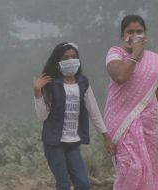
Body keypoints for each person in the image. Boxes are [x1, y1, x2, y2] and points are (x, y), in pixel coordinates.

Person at [104, 15, 158, 190]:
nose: (135, 35)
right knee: (133, 167)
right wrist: (136, 53)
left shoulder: (154, 60)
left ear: (145, 35)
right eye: (130, 32)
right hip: (123, 123)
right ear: (123, 35)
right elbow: (120, 76)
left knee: (149, 169)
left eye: (139, 31)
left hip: (147, 125)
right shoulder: (116, 53)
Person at [33, 42, 115, 190]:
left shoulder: (83, 83)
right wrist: (38, 92)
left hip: (73, 143)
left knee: (83, 183)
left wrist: (106, 135)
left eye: (74, 57)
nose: (70, 60)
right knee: (63, 184)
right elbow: (42, 116)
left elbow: (93, 110)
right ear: (57, 62)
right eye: (65, 58)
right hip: (54, 144)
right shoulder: (52, 85)